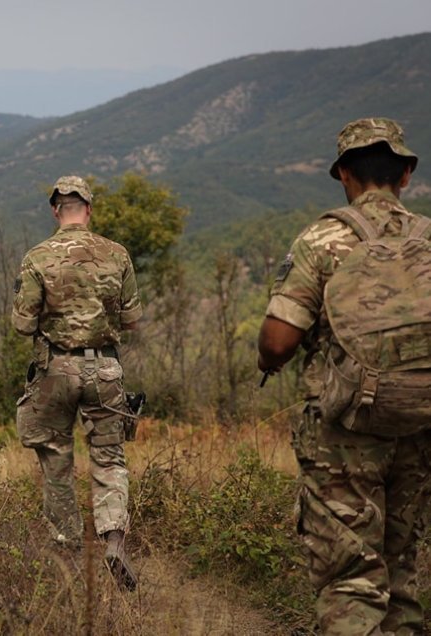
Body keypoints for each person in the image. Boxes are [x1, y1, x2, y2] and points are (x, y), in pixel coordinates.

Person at [257, 118, 429, 635]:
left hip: (344, 435)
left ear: (345, 176)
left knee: (351, 577)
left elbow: (279, 341)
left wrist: (268, 364)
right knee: (402, 573)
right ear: (404, 176)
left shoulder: (324, 238)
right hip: (421, 428)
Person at [12, 175, 142, 590]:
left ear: (56, 210)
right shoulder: (117, 254)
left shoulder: (38, 257)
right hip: (104, 369)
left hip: (56, 371)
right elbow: (132, 319)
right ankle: (114, 540)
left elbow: (21, 324)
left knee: (55, 456)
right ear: (88, 208)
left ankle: (67, 545)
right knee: (109, 458)